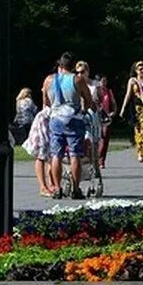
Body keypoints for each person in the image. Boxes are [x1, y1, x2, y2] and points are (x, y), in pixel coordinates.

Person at [44, 52, 94, 199]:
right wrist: (84, 110)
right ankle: (75, 188)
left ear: (60, 64)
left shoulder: (49, 80)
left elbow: (46, 102)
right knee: (74, 154)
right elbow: (88, 99)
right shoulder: (77, 80)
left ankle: (57, 188)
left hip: (56, 119)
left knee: (56, 155)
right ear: (73, 66)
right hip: (74, 120)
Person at [22, 94, 57, 197]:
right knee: (41, 155)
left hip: (55, 118)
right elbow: (45, 98)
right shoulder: (52, 82)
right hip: (45, 120)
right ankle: (43, 186)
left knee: (53, 155)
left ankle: (52, 184)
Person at [95, 76, 116, 168]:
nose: (104, 83)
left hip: (106, 118)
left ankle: (101, 160)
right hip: (96, 117)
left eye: (105, 81)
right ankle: (95, 159)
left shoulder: (108, 91)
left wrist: (114, 112)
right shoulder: (95, 91)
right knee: (97, 140)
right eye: (102, 81)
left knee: (105, 139)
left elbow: (113, 103)